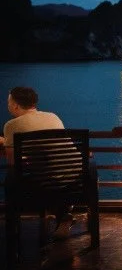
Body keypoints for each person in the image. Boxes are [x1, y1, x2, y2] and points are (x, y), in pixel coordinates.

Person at [2, 87, 73, 240]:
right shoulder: (53, 117)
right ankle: (63, 213)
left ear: (15, 105)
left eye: (8, 102)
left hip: (48, 184)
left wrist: (8, 144)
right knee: (49, 173)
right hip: (76, 179)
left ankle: (11, 227)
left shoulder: (11, 125)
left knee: (11, 179)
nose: (7, 105)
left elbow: (12, 163)